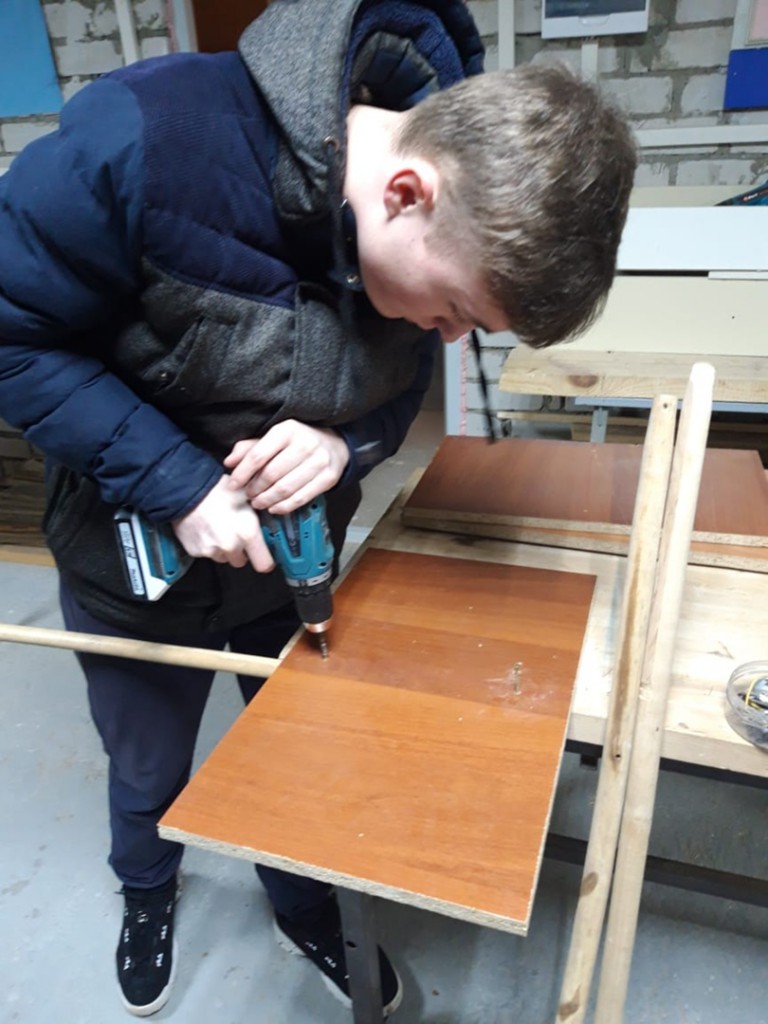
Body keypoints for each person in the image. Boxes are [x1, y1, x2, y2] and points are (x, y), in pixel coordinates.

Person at [0, 0, 636, 1016]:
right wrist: (178, 486)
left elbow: (396, 386)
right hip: (132, 572)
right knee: (147, 763)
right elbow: (13, 339)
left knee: (297, 760)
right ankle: (148, 889)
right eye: (454, 312)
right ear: (406, 192)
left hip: (288, 574)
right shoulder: (143, 142)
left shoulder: (428, 228)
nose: (445, 337)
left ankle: (307, 911)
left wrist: (350, 443)